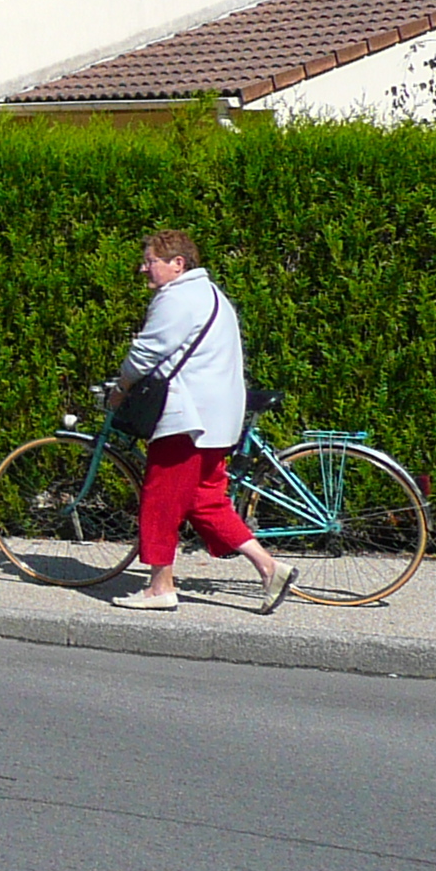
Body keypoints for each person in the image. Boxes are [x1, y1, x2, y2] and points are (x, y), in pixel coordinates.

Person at [113, 230, 294, 613]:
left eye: (151, 260)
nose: (143, 267)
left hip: (186, 418)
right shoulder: (212, 295)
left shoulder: (177, 298)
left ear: (178, 264)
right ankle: (269, 567)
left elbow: (147, 353)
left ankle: (160, 587)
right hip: (217, 420)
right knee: (205, 499)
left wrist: (121, 386)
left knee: (160, 500)